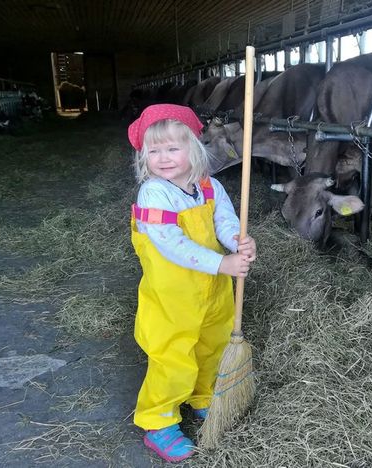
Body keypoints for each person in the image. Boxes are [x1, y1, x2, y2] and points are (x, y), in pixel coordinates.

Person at [127, 104, 257, 462]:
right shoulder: (154, 194)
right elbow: (171, 244)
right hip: (173, 297)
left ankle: (202, 398)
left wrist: (237, 242)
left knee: (212, 345)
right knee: (173, 356)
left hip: (214, 291)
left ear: (195, 148)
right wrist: (223, 262)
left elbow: (226, 221)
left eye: (173, 148)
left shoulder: (209, 186)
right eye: (153, 151)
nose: (163, 158)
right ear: (144, 157)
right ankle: (159, 421)